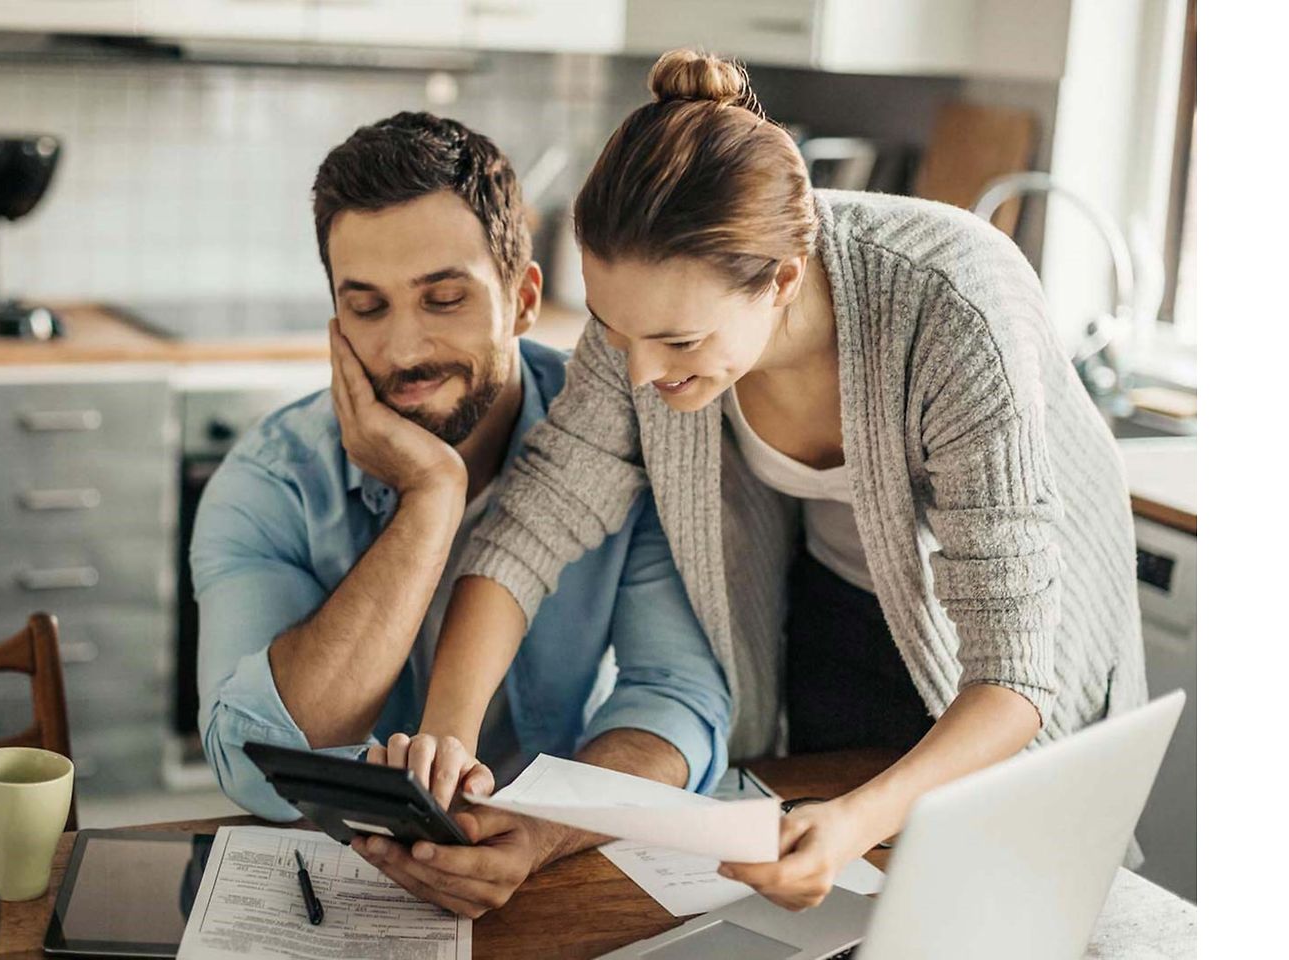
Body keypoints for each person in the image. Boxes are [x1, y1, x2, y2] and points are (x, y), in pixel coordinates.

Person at [387, 51, 1149, 911]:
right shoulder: (647, 317)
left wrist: (854, 821)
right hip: (835, 609)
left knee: (1000, 898)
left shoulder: (952, 305)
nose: (638, 374)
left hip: (1011, 659)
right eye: (612, 329)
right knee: (857, 909)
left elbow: (1014, 675)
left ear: (782, 279)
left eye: (677, 343)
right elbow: (538, 518)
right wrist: (444, 737)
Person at [191, 111, 732, 918]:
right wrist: (430, 499)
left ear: (522, 300)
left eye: (443, 299)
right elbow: (254, 761)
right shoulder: (272, 482)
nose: (406, 349)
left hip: (557, 870)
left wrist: (543, 829)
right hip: (345, 897)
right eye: (367, 308)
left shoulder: (625, 444)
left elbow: (676, 703)